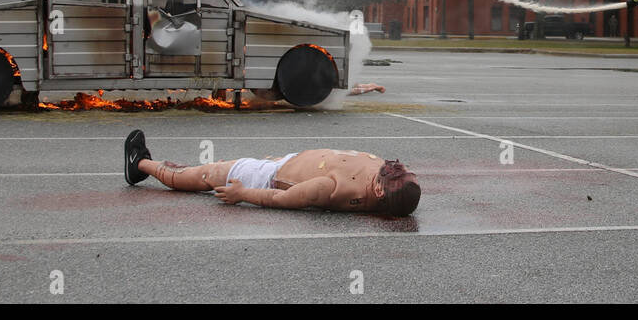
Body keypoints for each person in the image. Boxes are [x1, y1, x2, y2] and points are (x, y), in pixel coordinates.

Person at [122, 130, 420, 216]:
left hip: (265, 176)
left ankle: (140, 164)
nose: (394, 166)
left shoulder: (333, 189)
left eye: (394, 173)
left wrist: (242, 194)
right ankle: (143, 164)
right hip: (288, 162)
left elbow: (283, 198)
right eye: (398, 169)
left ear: (380, 191)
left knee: (200, 175)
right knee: (206, 172)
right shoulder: (383, 176)